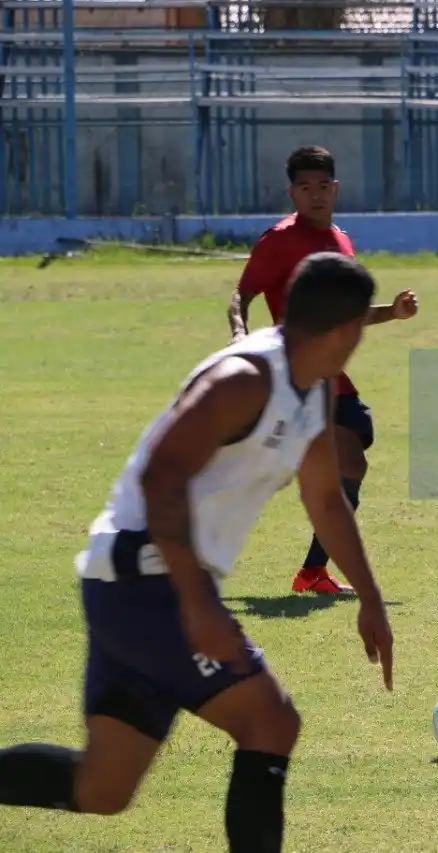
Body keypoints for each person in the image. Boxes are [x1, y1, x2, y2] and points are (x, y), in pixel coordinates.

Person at [0, 252, 394, 853]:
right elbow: (161, 478)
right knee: (271, 721)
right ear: (347, 330)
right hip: (147, 578)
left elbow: (325, 499)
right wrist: (197, 604)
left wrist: (370, 597)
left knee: (103, 788)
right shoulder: (244, 379)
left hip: (139, 586)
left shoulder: (310, 391)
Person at [227, 144, 419, 596]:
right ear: (292, 193)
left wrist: (391, 312)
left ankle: (312, 572)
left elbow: (346, 315)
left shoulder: (342, 241)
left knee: (354, 455)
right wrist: (239, 332)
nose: (315, 196)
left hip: (330, 375)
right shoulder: (279, 240)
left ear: (335, 189)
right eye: (305, 188)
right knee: (346, 460)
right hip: (292, 374)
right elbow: (242, 294)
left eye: (322, 187)